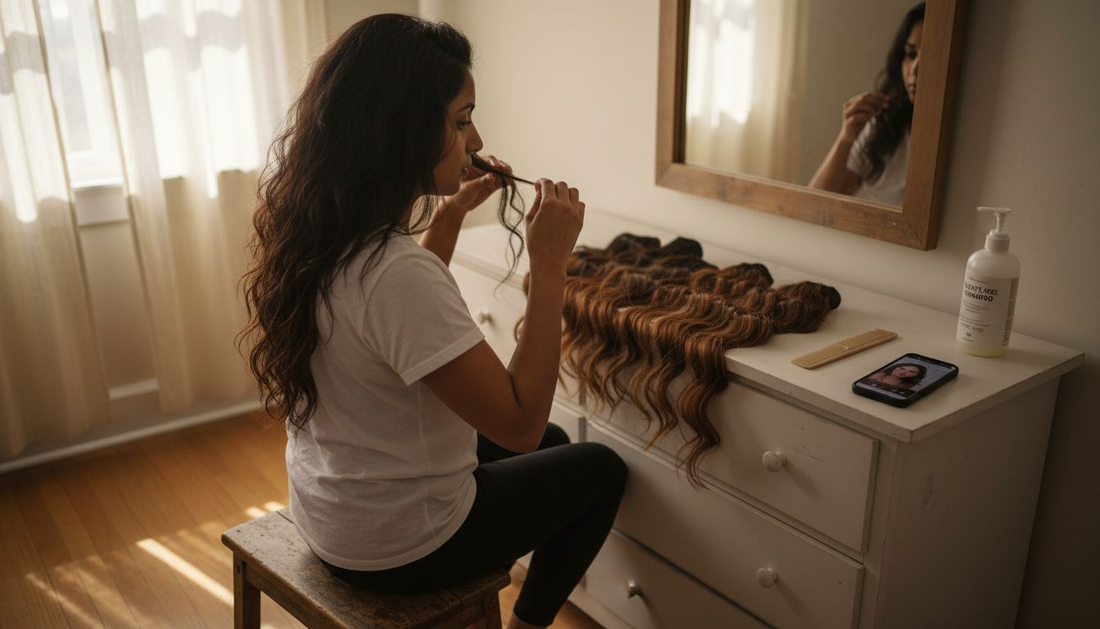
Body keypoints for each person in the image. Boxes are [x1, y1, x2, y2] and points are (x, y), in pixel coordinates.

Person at [239, 14, 627, 629]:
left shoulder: (320, 233)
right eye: (461, 119)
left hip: (334, 515)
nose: (476, 142)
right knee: (599, 469)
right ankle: (529, 624)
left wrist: (446, 219)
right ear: (402, 129)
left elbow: (388, 317)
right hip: (400, 547)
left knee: (556, 447)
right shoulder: (395, 271)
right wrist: (549, 268)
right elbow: (522, 422)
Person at [809, 2, 925, 206]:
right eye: (911, 54)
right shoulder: (884, 125)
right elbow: (813, 203)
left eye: (930, 56)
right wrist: (846, 138)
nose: (914, 69)